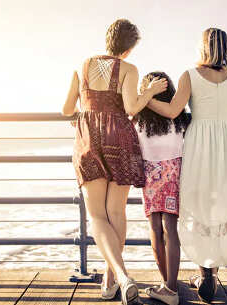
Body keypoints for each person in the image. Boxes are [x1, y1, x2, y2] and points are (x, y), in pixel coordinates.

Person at [146, 27, 227, 303]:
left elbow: (172, 111)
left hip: (199, 144)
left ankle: (205, 271)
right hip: (226, 146)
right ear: (226, 47)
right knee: (221, 203)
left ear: (202, 47)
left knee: (198, 204)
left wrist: (145, 100)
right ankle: (211, 271)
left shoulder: (190, 75)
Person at [62, 19, 167, 305]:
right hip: (120, 139)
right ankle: (112, 279)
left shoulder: (81, 66)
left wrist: (85, 115)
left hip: (88, 140)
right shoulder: (129, 69)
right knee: (116, 214)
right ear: (130, 48)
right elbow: (132, 107)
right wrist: (151, 92)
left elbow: (66, 109)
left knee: (97, 216)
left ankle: (121, 277)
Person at [133, 72, 190, 305]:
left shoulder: (138, 117)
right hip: (173, 172)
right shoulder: (179, 117)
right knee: (171, 229)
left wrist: (143, 97)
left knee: (155, 228)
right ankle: (171, 286)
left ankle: (167, 283)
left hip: (150, 174)